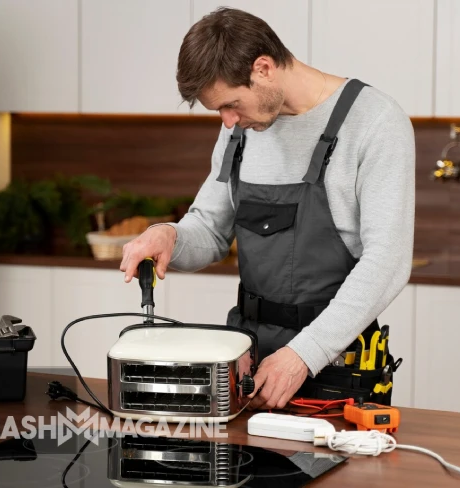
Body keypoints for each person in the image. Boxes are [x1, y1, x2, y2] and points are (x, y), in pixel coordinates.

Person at [120, 7, 415, 410]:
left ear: (263, 68)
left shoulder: (375, 122)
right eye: (219, 111)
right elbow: (209, 229)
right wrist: (169, 234)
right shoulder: (241, 130)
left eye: (231, 104)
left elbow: (388, 261)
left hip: (335, 368)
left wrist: (303, 355)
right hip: (247, 360)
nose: (227, 122)